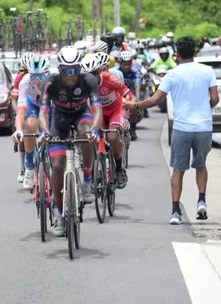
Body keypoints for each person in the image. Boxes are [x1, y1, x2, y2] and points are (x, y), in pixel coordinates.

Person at [126, 37, 219, 225]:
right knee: (201, 165)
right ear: (194, 52)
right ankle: (201, 201)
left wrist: (134, 105)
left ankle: (176, 212)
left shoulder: (172, 74)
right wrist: (204, 108)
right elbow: (215, 99)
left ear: (177, 53)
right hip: (203, 127)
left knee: (178, 169)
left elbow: (154, 100)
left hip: (182, 128)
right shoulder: (207, 71)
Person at [39, 46, 102, 237]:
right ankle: (59, 212)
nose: (70, 75)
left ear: (79, 69)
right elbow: (44, 111)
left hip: (81, 114)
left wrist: (94, 130)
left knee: (85, 133)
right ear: (60, 70)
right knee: (57, 165)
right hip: (59, 119)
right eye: (66, 70)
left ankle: (88, 179)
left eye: (74, 70)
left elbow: (97, 109)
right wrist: (45, 132)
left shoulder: (88, 80)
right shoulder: (50, 82)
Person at [81, 54, 131, 188]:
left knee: (113, 136)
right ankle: (92, 171)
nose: (90, 79)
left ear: (99, 71)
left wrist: (128, 111)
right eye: (87, 76)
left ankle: (119, 169)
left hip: (115, 110)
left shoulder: (110, 79)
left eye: (93, 74)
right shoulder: (82, 84)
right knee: (91, 137)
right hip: (99, 113)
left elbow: (128, 95)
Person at [12, 55, 50, 189]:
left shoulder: (54, 80)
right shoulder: (25, 82)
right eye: (34, 77)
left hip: (50, 106)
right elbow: (21, 112)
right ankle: (29, 166)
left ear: (48, 73)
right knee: (30, 125)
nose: (37, 80)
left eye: (41, 76)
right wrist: (18, 129)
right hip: (33, 105)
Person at [12, 52, 34, 183]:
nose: (27, 72)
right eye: (26, 69)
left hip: (36, 106)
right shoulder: (20, 77)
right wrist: (18, 112)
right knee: (22, 137)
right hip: (23, 105)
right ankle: (22, 167)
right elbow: (14, 99)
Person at [119, 51, 143, 140]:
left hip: (131, 95)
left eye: (129, 63)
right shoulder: (117, 72)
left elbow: (137, 85)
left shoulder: (135, 71)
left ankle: (132, 127)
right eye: (124, 64)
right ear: (120, 63)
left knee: (134, 104)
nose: (127, 66)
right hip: (120, 95)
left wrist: (137, 101)